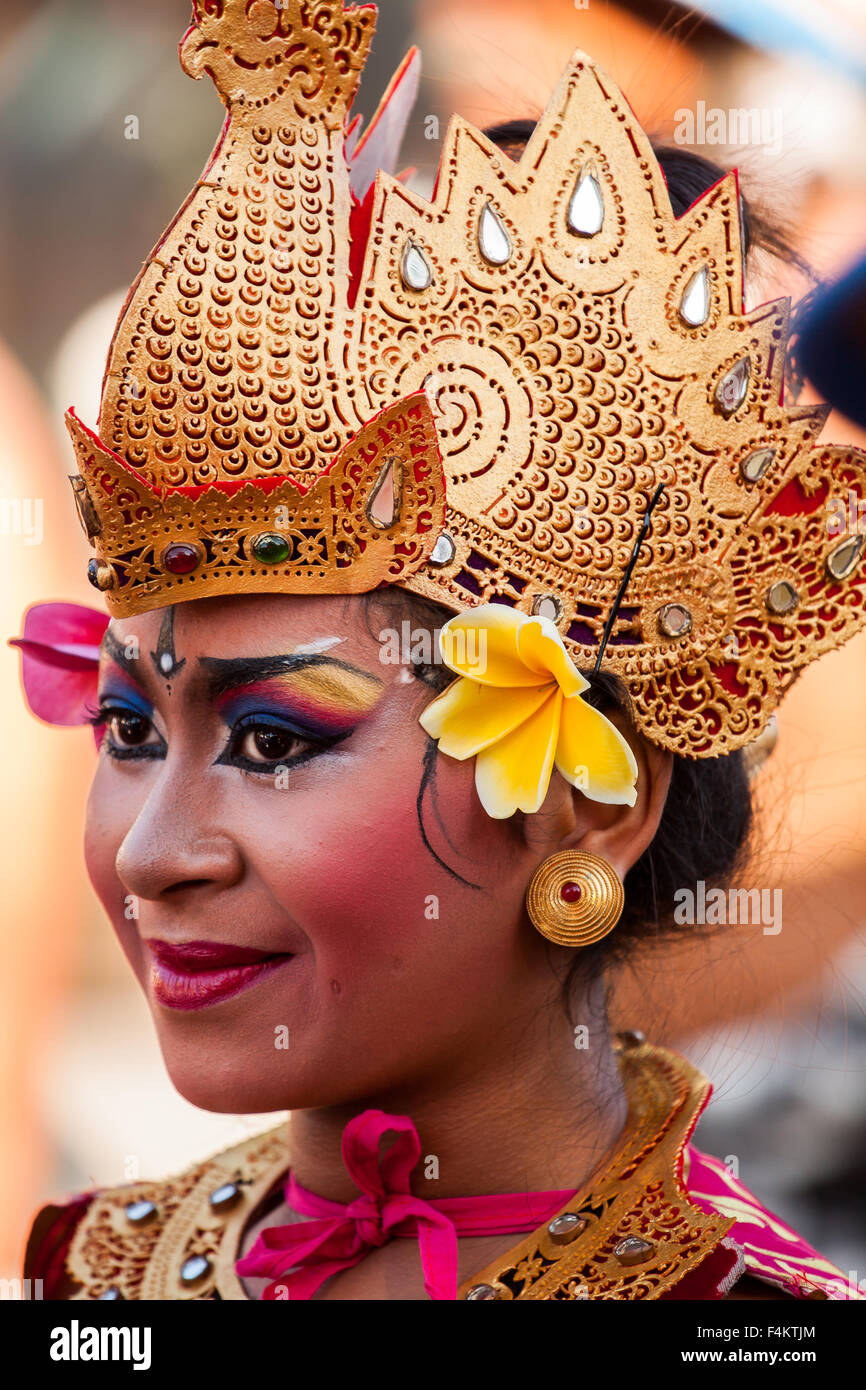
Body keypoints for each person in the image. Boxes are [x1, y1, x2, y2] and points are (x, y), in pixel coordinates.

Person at [11, 0, 865, 1301]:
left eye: (274, 739)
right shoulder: (100, 1281)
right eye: (128, 727)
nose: (149, 852)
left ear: (590, 799)